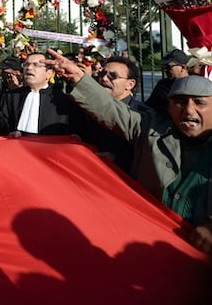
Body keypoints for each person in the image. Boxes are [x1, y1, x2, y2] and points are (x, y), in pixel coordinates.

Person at [45, 48, 212, 255]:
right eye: (179, 102)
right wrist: (79, 77)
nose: (188, 110)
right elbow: (111, 110)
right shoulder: (150, 126)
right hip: (148, 242)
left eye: (199, 102)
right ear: (169, 107)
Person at [80, 56, 150, 173]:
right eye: (102, 74)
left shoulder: (144, 115)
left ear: (130, 84)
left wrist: (117, 159)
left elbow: (149, 159)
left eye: (113, 76)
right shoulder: (87, 109)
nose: (104, 79)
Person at [0, 52, 84, 136]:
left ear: (49, 73)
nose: (29, 68)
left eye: (36, 65)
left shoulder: (63, 101)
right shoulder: (11, 97)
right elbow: (1, 127)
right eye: (26, 64)